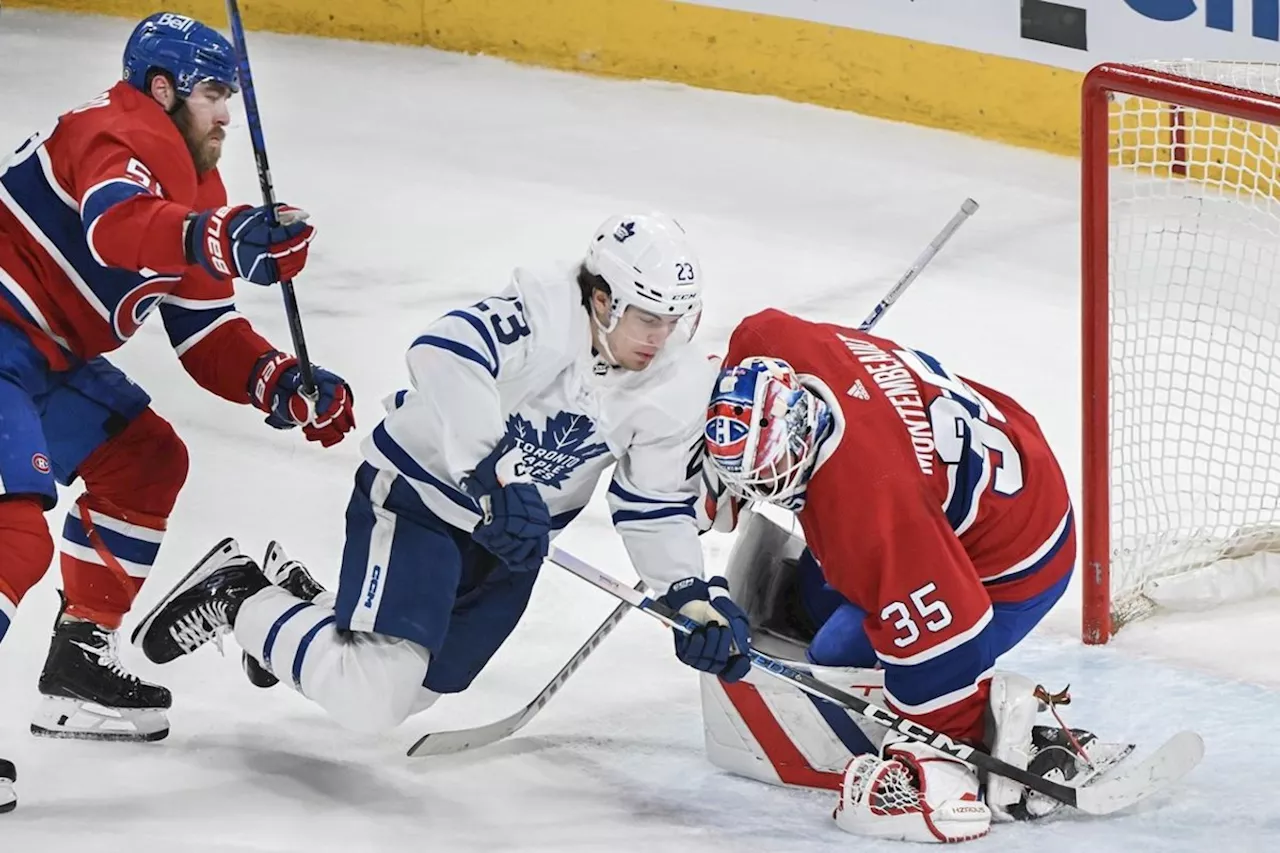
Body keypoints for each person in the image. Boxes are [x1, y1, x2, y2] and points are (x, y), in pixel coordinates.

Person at [131, 213, 753, 736]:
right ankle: (239, 596)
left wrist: (692, 601)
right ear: (602, 299)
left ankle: (304, 606)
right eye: (648, 317)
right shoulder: (542, 313)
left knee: (424, 687)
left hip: (511, 542)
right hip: (420, 501)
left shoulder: (671, 381)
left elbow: (653, 504)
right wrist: (495, 476)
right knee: (371, 697)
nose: (662, 336)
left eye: (674, 320)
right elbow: (443, 351)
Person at [0, 8, 355, 779]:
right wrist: (222, 238)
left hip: (40, 355)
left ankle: (76, 667)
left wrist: (285, 383)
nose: (227, 111)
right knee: (14, 534)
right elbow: (115, 228)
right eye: (211, 92)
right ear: (160, 90)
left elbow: (205, 336)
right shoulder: (114, 130)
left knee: (147, 460)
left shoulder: (196, 180)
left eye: (232, 92)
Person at [700, 307, 1091, 842]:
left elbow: (950, 631)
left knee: (835, 646)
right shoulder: (771, 343)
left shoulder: (875, 514)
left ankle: (1001, 725)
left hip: (1020, 559)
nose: (765, 490)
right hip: (1003, 450)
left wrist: (945, 739)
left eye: (769, 475)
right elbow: (750, 337)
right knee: (817, 597)